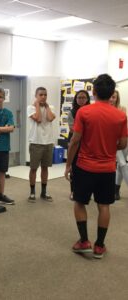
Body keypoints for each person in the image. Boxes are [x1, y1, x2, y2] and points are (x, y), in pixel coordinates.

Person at [65, 74, 127, 259]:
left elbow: (75, 141)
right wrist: (108, 147)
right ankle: (99, 246)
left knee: (79, 202)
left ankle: (84, 241)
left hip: (84, 166)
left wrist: (68, 164)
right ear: (111, 93)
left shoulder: (84, 112)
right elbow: (123, 144)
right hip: (107, 168)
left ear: (94, 91)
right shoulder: (121, 115)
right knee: (104, 206)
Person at [27, 87, 55, 202]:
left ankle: (44, 192)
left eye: (45, 95)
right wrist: (37, 105)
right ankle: (32, 192)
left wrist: (47, 107)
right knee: (33, 168)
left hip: (48, 142)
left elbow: (49, 118)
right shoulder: (30, 108)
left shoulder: (51, 107)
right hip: (36, 142)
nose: (43, 97)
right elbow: (38, 119)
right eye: (41, 95)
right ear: (36, 96)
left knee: (45, 168)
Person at [67, 90, 91, 200]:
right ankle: (73, 191)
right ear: (76, 99)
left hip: (88, 142)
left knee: (87, 168)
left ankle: (87, 191)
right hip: (75, 141)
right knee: (74, 167)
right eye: (79, 98)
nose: (81, 100)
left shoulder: (91, 111)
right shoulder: (72, 112)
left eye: (83, 97)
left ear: (87, 99)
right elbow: (72, 128)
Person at [109, 90, 128, 200]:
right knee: (122, 164)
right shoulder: (105, 109)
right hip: (114, 141)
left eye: (114, 97)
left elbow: (123, 126)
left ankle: (116, 190)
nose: (112, 99)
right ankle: (116, 190)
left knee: (121, 166)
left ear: (117, 98)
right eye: (110, 97)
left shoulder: (122, 109)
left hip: (125, 139)